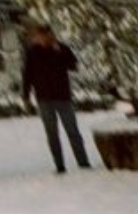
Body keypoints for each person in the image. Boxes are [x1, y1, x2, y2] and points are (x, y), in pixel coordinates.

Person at [21, 21, 93, 173]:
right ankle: (59, 165)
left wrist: (59, 51)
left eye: (45, 35)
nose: (41, 39)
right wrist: (26, 96)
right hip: (44, 98)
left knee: (72, 131)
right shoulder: (32, 52)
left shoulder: (61, 48)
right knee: (52, 134)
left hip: (63, 97)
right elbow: (27, 74)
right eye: (39, 36)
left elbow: (73, 65)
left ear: (50, 35)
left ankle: (83, 162)